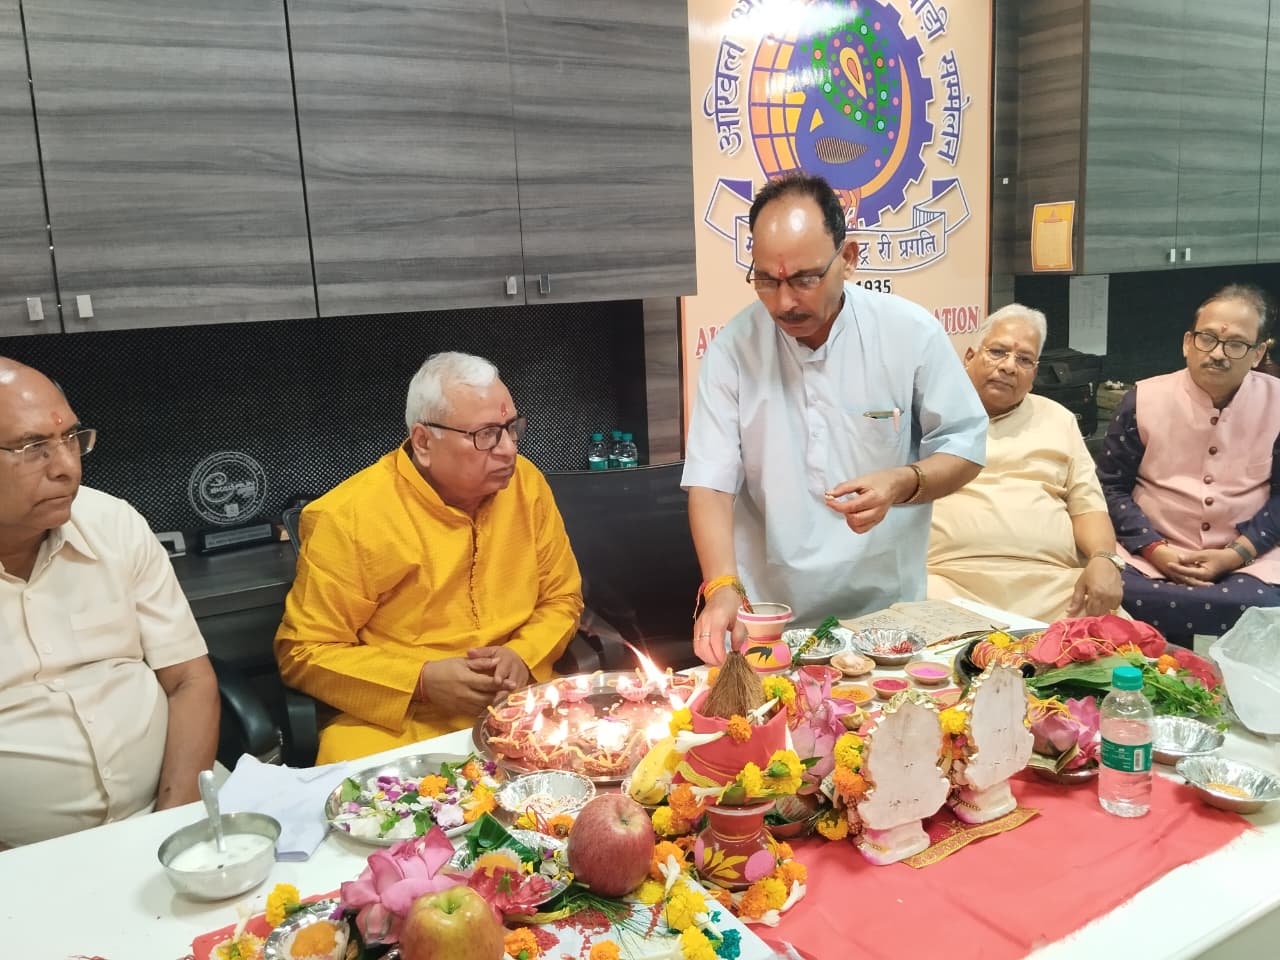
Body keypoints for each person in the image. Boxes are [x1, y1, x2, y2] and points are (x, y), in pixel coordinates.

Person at [683, 172, 987, 665]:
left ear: (848, 258)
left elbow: (965, 446)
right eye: (766, 280)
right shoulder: (733, 349)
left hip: (888, 618)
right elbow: (710, 483)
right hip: (770, 618)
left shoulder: (910, 334)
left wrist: (902, 482)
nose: (784, 302)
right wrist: (721, 587)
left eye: (804, 279)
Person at [275, 352, 583, 762]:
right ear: (423, 442)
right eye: (487, 435)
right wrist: (420, 680)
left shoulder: (526, 485)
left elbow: (562, 598)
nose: (509, 449)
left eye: (513, 429)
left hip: (518, 703)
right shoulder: (348, 517)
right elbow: (304, 652)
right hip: (402, 723)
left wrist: (522, 656)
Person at [0, 359, 219, 847]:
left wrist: (173, 826)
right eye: (33, 448)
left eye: (71, 438)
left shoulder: (113, 523)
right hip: (23, 858)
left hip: (173, 812)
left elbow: (188, 679)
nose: (67, 467)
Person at [1097, 284, 1280, 647]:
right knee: (1108, 590)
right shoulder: (1143, 398)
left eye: (1236, 344)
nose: (1217, 354)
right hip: (1147, 553)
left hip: (1251, 556)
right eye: (1206, 339)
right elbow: (1109, 486)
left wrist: (1236, 554)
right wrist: (1153, 548)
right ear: (1187, 343)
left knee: (1264, 607)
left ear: (1258, 353)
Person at [927, 304, 1124, 621]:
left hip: (1053, 586)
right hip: (950, 581)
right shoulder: (929, 414)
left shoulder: (1058, 419)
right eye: (998, 352)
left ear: (1033, 375)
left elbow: (1087, 506)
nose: (1009, 366)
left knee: (1121, 643)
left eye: (1024, 360)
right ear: (969, 357)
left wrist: (1105, 559)